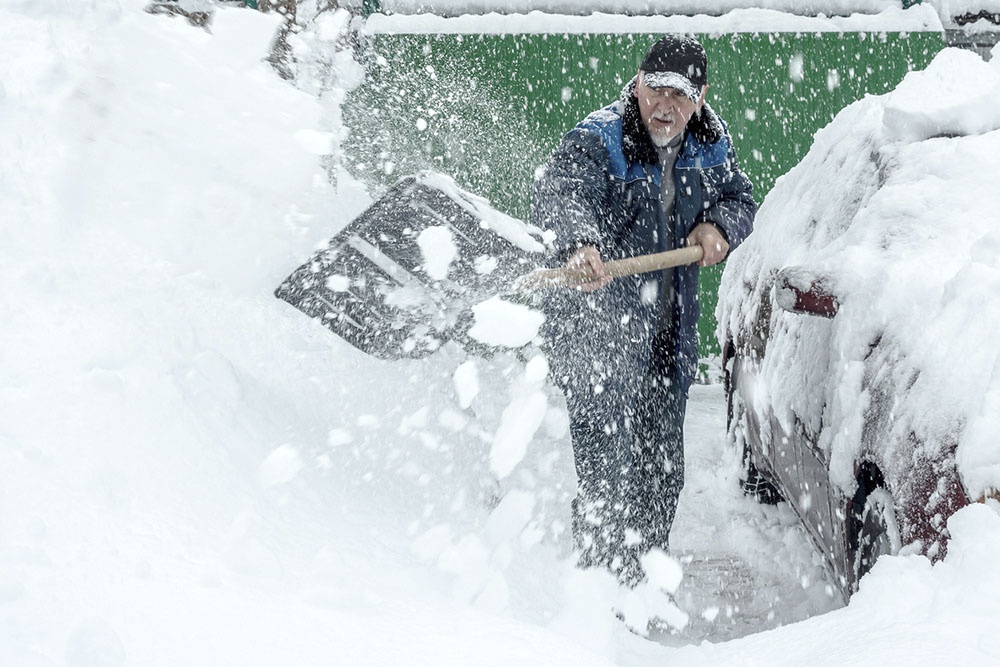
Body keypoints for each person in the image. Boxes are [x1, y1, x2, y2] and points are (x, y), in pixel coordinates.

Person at [533, 34, 756, 586]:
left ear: (699, 100)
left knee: (661, 477)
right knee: (608, 478)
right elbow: (562, 193)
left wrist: (718, 226)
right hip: (597, 335)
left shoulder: (711, 143)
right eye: (655, 89)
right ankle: (595, 594)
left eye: (680, 96)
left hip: (666, 334)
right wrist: (580, 243)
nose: (665, 105)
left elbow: (740, 199)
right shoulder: (600, 137)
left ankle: (640, 584)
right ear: (636, 84)